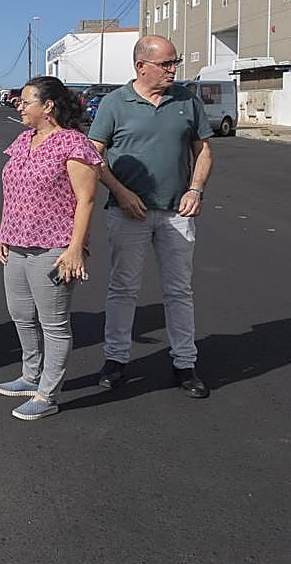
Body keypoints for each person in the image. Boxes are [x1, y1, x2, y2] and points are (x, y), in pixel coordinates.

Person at [88, 35, 214, 398]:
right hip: (129, 214)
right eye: (167, 63)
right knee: (123, 288)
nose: (174, 69)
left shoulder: (186, 101)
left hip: (177, 212)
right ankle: (115, 360)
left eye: (174, 63)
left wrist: (196, 189)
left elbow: (203, 150)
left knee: (179, 290)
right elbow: (94, 155)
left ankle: (184, 363)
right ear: (141, 66)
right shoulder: (114, 103)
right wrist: (121, 192)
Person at [0, 76, 101, 421]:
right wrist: (2, 231)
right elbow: (12, 191)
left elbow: (86, 200)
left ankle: (48, 393)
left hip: (53, 247)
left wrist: (75, 249)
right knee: (21, 314)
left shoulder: (73, 144)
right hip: (17, 242)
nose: (20, 107)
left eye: (26, 102)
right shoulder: (24, 140)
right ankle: (30, 374)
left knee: (53, 323)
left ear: (48, 106)